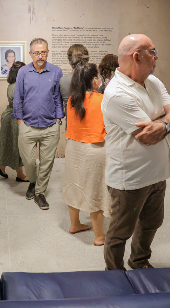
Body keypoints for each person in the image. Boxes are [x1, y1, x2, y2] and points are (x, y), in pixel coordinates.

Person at [102, 34, 170, 270]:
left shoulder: (153, 82)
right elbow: (148, 137)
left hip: (157, 175)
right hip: (130, 179)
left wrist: (163, 123)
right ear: (137, 56)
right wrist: (164, 120)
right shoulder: (117, 93)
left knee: (151, 224)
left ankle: (139, 262)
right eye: (152, 51)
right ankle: (114, 274)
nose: (156, 57)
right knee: (120, 233)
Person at [13, 38, 63, 210]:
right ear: (30, 54)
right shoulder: (23, 72)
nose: (40, 56)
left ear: (47, 53)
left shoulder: (56, 72)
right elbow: (17, 98)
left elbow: (58, 98)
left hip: (50, 126)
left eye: (43, 52)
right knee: (29, 162)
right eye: (36, 53)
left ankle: (39, 193)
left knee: (47, 162)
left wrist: (58, 119)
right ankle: (33, 182)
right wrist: (20, 121)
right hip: (27, 125)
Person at [63, 62, 109, 246]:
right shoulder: (102, 100)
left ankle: (75, 224)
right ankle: (99, 237)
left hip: (73, 148)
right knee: (95, 190)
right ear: (95, 80)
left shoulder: (72, 100)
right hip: (95, 149)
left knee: (73, 185)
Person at [0, 61, 29, 182]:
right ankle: (20, 174)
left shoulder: (14, 84)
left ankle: (1, 168)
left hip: (9, 116)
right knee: (17, 146)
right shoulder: (16, 86)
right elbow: (20, 105)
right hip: (14, 117)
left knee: (6, 144)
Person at [60, 44, 89, 113]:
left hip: (71, 120)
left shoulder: (63, 80)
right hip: (93, 120)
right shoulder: (97, 78)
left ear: (70, 61)